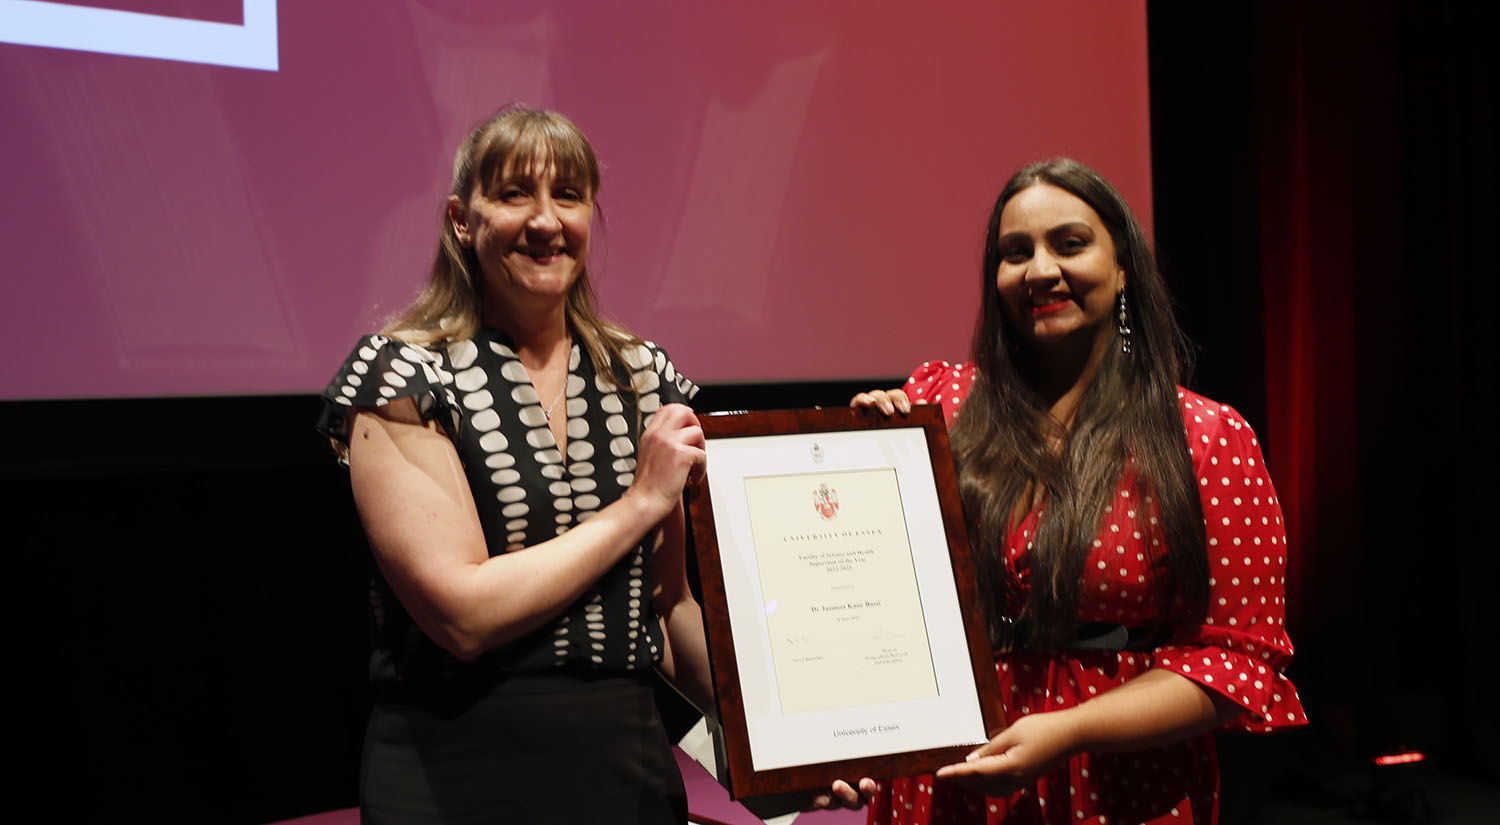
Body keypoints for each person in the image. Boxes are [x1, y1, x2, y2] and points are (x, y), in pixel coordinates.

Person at [844, 158, 1306, 824]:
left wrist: (1071, 728)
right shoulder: (936, 403)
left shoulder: (1204, 436)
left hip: (1118, 782)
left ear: (1123, 268)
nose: (1038, 269)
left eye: (1069, 243)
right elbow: (871, 594)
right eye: (1015, 252)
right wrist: (863, 461)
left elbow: (1237, 661)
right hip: (949, 778)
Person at [316, 107, 712, 824]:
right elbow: (462, 614)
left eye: (568, 195)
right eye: (512, 194)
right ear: (461, 219)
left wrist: (782, 742)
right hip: (456, 775)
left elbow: (668, 605)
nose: (544, 221)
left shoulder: (640, 374)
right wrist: (637, 505)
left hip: (627, 773)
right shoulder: (403, 374)